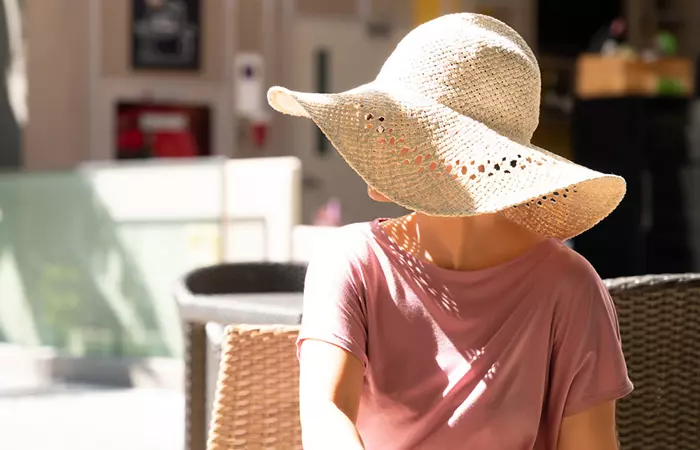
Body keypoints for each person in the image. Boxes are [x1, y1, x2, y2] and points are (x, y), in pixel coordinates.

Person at [268, 13, 633, 450]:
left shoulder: (571, 288)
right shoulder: (351, 262)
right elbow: (325, 417)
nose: (372, 144)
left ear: (459, 155)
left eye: (392, 127)